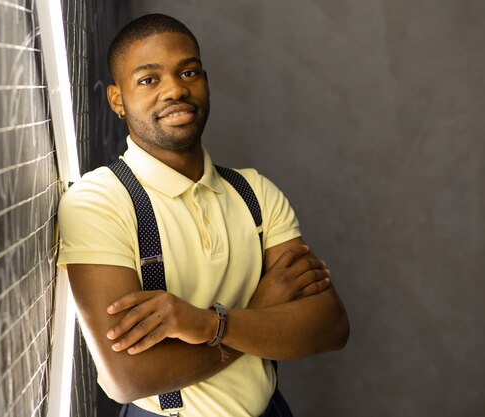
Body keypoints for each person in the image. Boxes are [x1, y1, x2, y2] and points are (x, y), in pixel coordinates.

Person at [58, 13, 349, 417]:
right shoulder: (99, 201)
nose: (175, 89)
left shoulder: (255, 192)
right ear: (117, 100)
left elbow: (329, 326)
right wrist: (259, 310)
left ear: (205, 82)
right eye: (148, 79)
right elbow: (129, 378)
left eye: (188, 71)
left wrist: (210, 325)